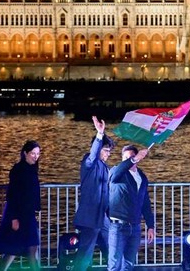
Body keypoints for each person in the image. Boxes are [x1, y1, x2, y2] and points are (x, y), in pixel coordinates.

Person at [0, 140, 42, 271]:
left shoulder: (31, 169)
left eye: (38, 154)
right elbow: (12, 194)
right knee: (21, 248)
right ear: (25, 153)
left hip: (28, 214)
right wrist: (14, 218)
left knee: (19, 248)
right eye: (33, 153)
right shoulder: (19, 170)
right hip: (20, 215)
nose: (36, 156)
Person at [73, 116, 115, 271]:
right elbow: (92, 154)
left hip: (103, 216)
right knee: (85, 252)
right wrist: (99, 134)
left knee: (112, 247)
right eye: (106, 150)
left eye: (109, 151)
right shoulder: (89, 162)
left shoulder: (105, 167)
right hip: (90, 216)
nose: (108, 153)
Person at [107, 144, 155, 271]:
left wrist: (151, 226)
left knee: (128, 264)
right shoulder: (117, 172)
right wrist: (132, 160)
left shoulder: (142, 177)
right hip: (118, 226)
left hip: (135, 227)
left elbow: (145, 202)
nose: (129, 160)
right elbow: (114, 175)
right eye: (126, 158)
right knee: (114, 264)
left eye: (132, 157)